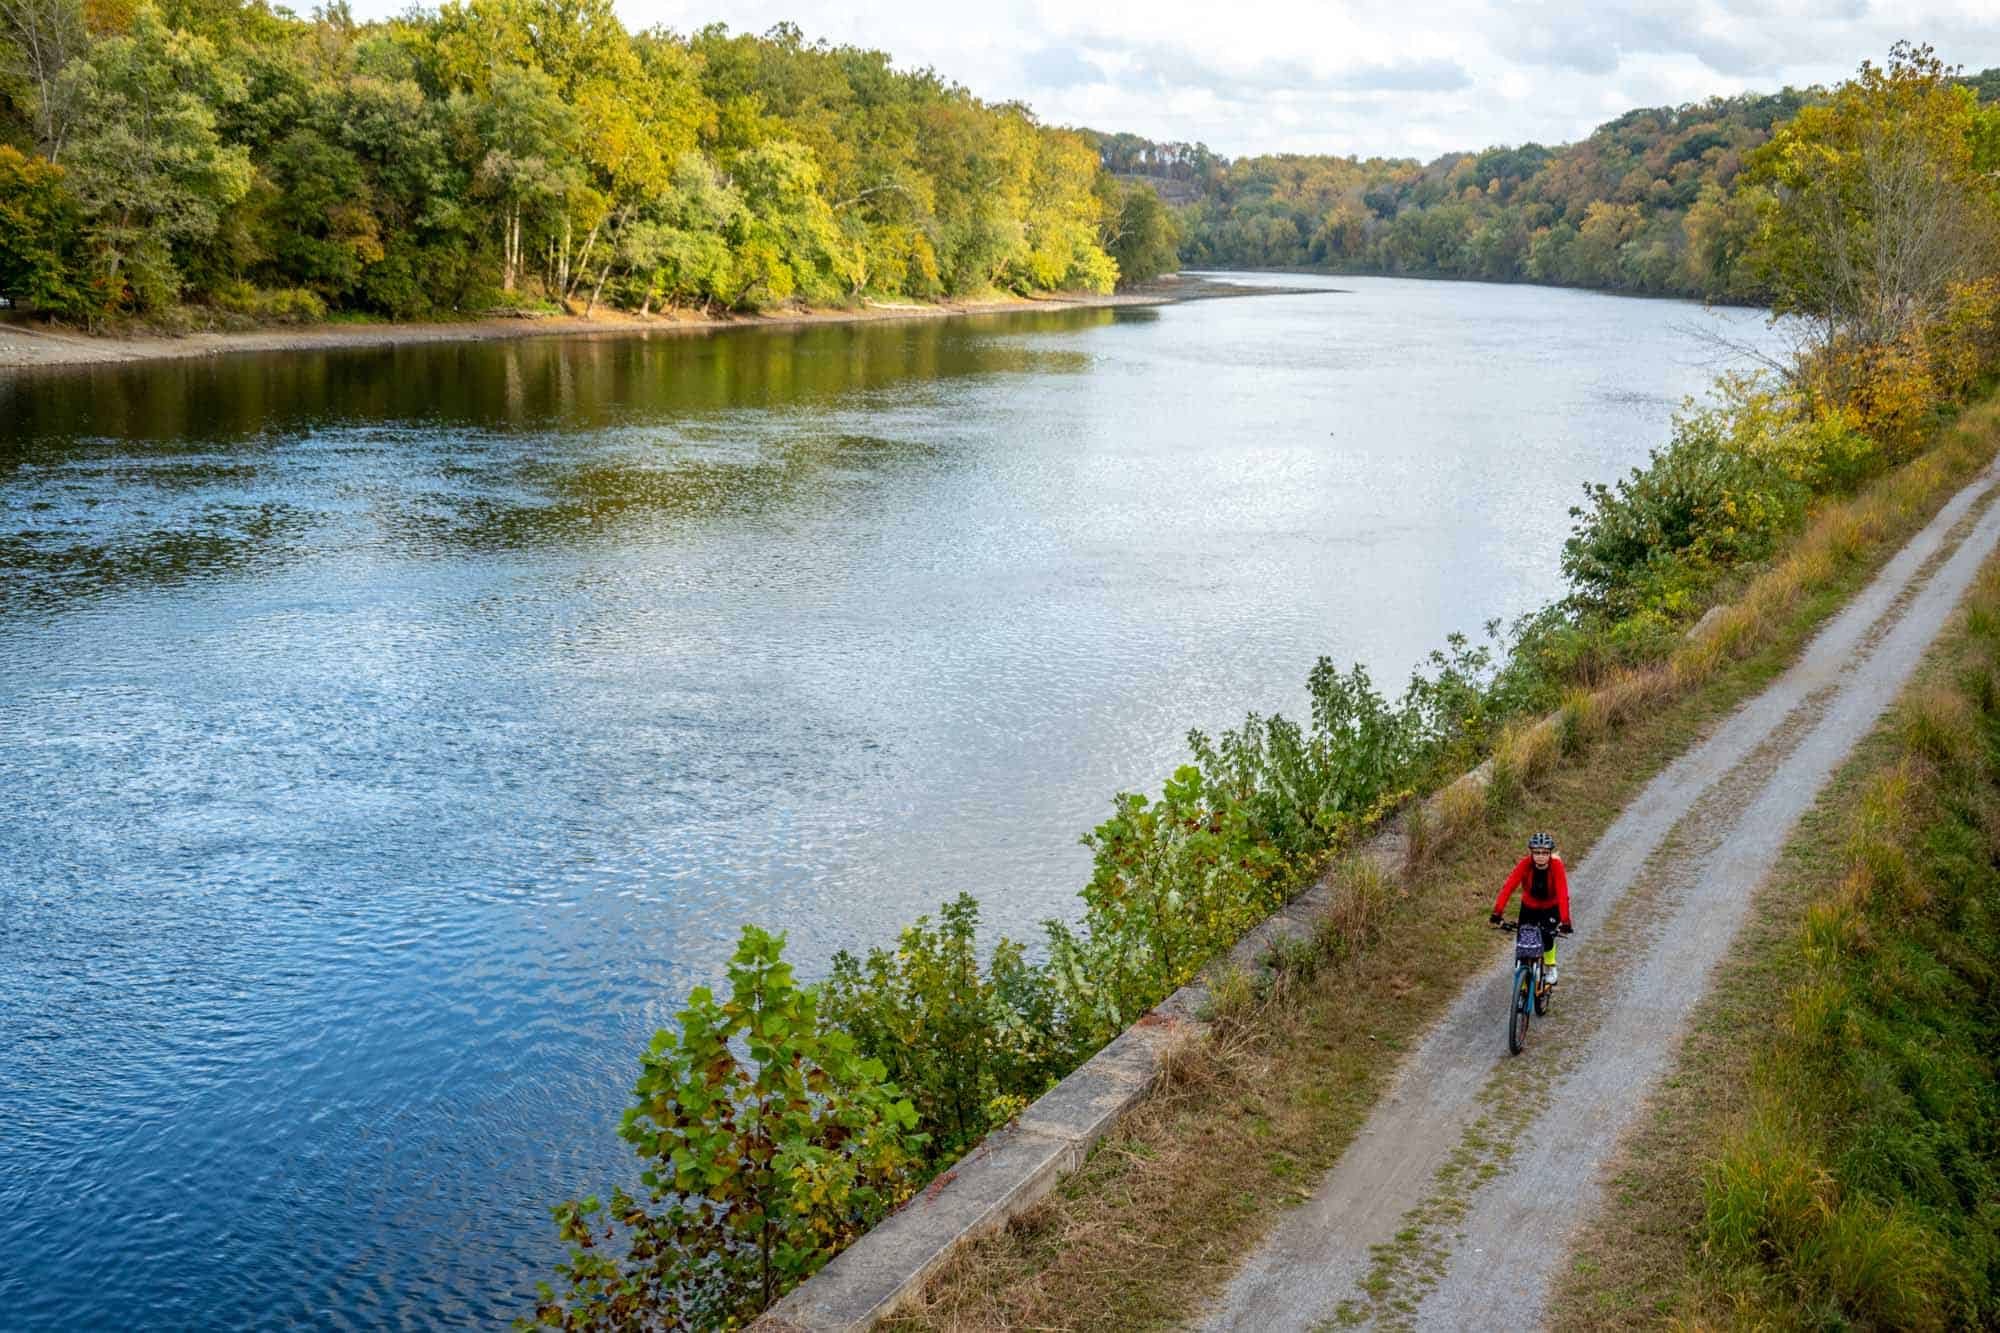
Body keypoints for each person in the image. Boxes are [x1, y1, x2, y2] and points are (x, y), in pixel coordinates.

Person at [1490, 831, 1573, 983]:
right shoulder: (1525, 864)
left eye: (1545, 852)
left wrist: (1566, 922)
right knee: (1523, 943)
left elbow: (1562, 894)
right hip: (1529, 906)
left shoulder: (1556, 866)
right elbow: (1508, 887)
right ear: (1531, 853)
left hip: (1550, 907)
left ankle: (1550, 966)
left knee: (1547, 937)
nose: (1540, 856)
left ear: (1550, 853)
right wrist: (1497, 912)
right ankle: (1522, 986)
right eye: (1537, 852)